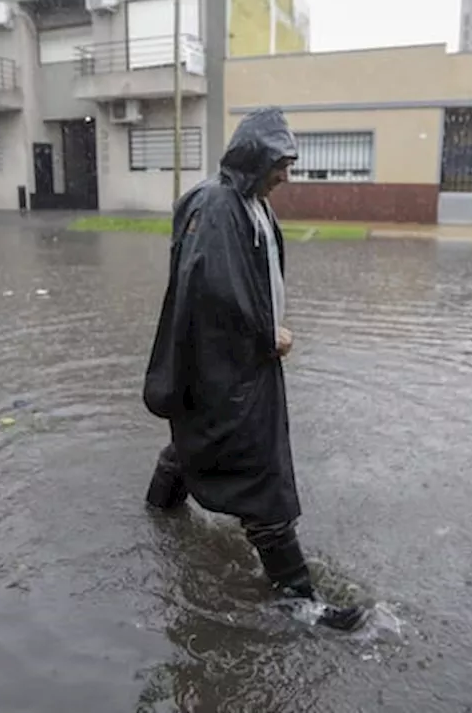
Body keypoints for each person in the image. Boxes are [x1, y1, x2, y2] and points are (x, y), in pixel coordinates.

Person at [141, 107, 368, 632]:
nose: (287, 174)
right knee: (261, 478)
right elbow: (210, 290)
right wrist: (265, 335)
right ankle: (300, 601)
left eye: (290, 163)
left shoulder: (246, 202)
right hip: (230, 369)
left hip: (229, 368)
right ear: (255, 157)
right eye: (281, 163)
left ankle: (158, 513)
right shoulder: (220, 205)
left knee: (197, 440)